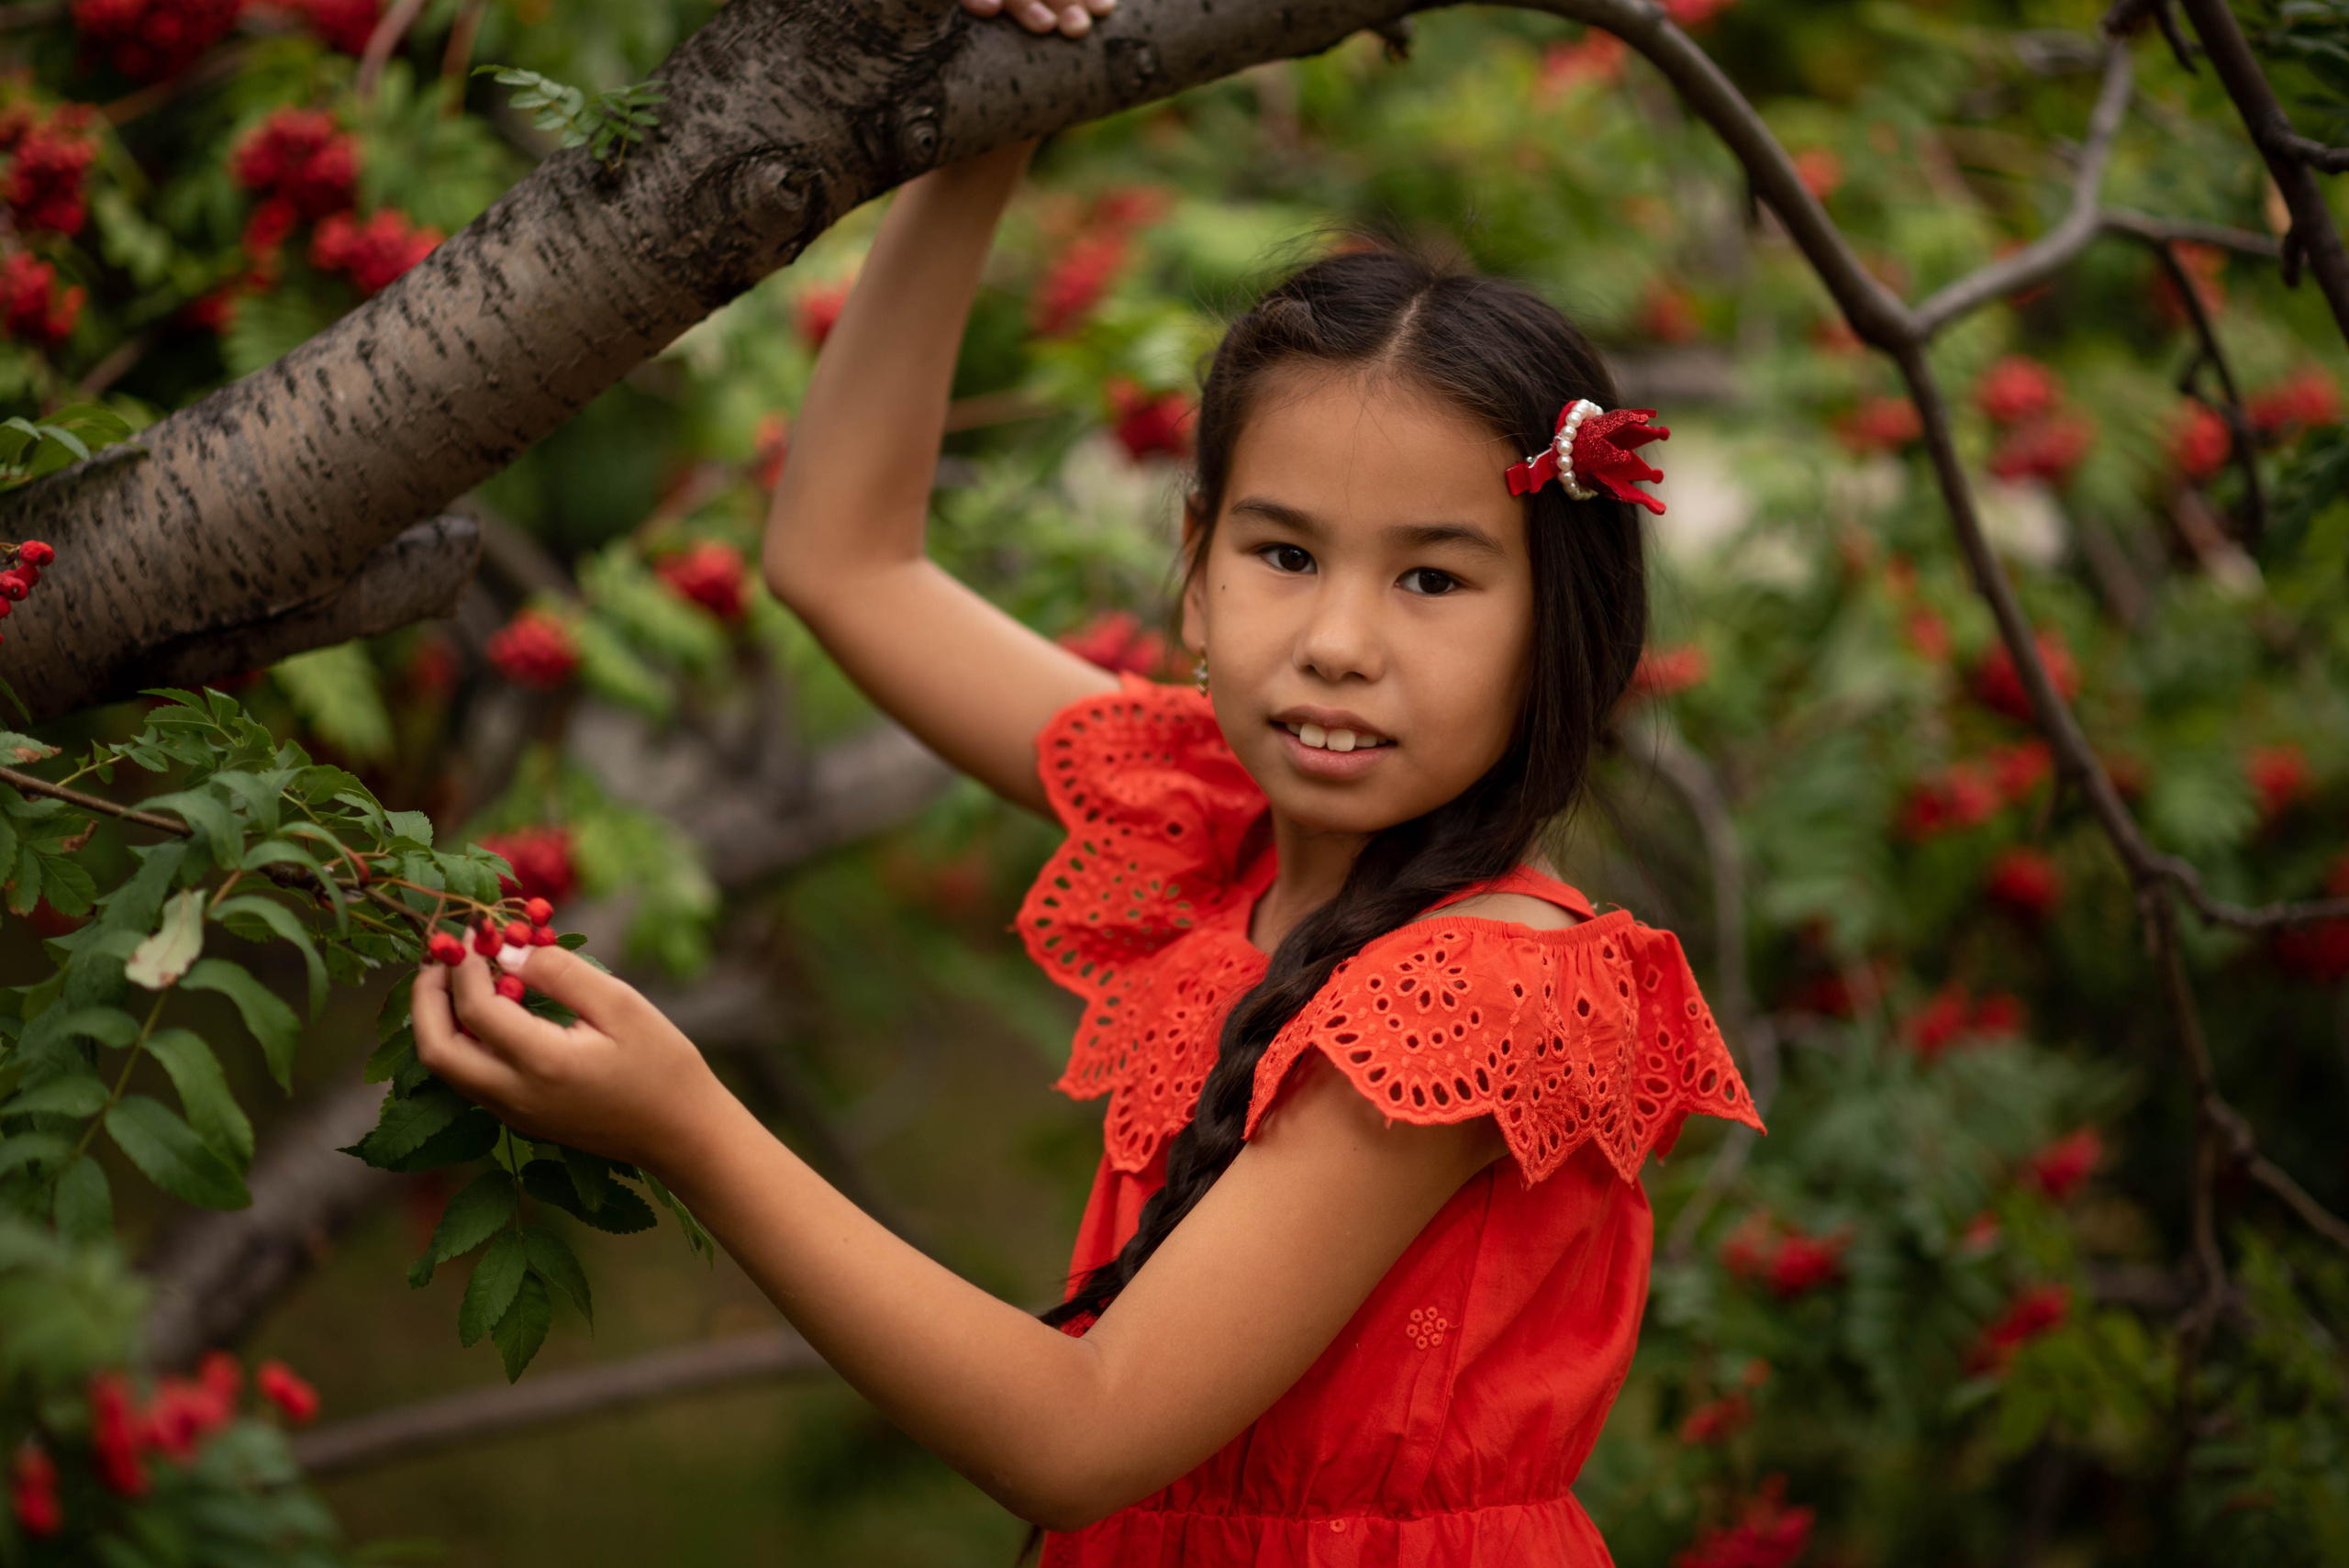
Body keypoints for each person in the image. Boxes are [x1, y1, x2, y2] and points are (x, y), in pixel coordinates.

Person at [412, 16, 1763, 1559]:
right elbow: (842, 560)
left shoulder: (1488, 989)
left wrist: (689, 1127)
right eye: (1284, 554)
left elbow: (1082, 1434)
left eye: (1435, 578)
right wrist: (993, 125)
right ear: (1193, 573)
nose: (1336, 643)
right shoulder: (1214, 822)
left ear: (1559, 625)